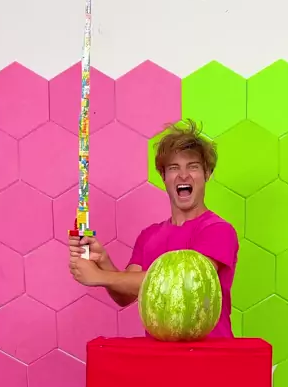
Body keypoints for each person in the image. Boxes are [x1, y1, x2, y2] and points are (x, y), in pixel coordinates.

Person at [68, 119, 239, 337]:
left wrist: (100, 276)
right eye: (174, 168)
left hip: (210, 354)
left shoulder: (218, 230)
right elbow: (125, 296)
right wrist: (102, 261)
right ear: (163, 176)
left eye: (193, 167)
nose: (183, 175)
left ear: (207, 174)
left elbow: (182, 284)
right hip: (159, 354)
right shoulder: (149, 236)